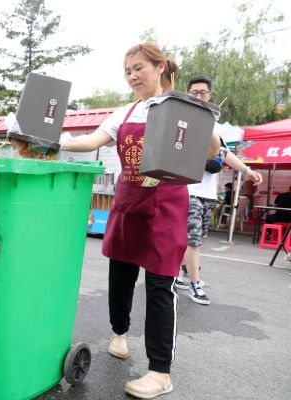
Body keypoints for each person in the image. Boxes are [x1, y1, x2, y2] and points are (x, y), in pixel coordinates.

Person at [61, 42, 221, 399]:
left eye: (139, 68)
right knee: (119, 276)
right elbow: (93, 140)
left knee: (160, 287)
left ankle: (161, 372)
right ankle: (119, 333)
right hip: (129, 203)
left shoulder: (181, 106)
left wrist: (195, 115)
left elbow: (213, 150)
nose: (133, 76)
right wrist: (57, 140)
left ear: (160, 67)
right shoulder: (126, 112)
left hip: (166, 206)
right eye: (127, 70)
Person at [176, 76, 263, 305]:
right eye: (194, 93)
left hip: (208, 193)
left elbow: (226, 154)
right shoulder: (183, 121)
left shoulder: (214, 128)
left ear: (211, 96)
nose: (198, 96)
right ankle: (195, 283)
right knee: (193, 241)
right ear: (187, 96)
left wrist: (247, 170)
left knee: (192, 239)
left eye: (203, 93)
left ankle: (175, 273)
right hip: (188, 190)